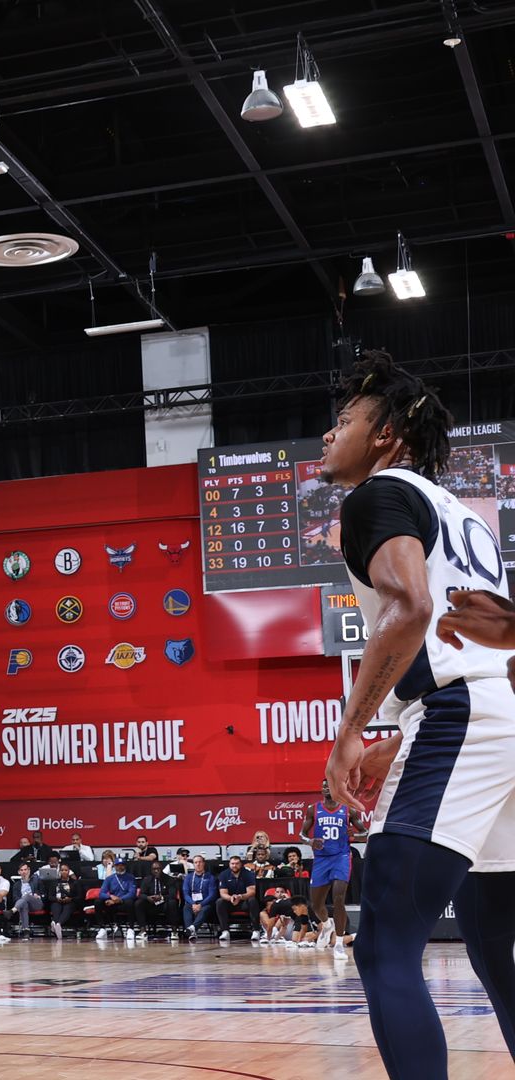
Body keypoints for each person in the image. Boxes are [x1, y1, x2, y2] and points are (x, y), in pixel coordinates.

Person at [318, 353, 515, 1079]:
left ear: (386, 435)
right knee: (496, 945)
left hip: (462, 714)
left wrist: (349, 734)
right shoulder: (466, 517)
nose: (328, 435)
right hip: (501, 714)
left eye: (345, 421)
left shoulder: (375, 497)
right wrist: (402, 733)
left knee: (384, 944)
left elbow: (410, 609)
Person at [301, 780, 361, 956]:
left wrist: (356, 835)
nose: (325, 788)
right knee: (316, 904)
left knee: (338, 898)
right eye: (323, 786)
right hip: (321, 859)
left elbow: (365, 832)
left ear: (337, 788)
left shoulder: (348, 809)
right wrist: (310, 841)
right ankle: (327, 925)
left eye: (329, 785)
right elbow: (301, 835)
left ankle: (339, 944)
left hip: (341, 857)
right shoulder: (313, 809)